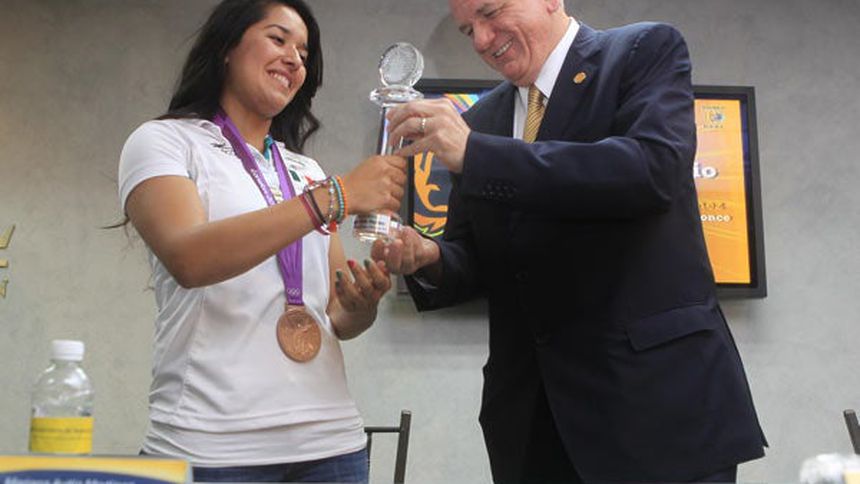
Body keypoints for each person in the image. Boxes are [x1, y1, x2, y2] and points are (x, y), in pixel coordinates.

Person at [374, 0, 767, 482]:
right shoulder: (481, 120)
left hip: (656, 414)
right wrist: (427, 256)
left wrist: (478, 154)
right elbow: (476, 255)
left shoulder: (643, 51)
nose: (481, 39)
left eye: (491, 12)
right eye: (467, 30)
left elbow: (650, 172)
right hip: (533, 427)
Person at [118, 0, 405, 481]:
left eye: (304, 53)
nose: (294, 59)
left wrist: (361, 305)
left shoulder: (305, 170)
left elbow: (336, 315)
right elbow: (189, 258)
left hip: (331, 443)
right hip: (210, 446)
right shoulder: (165, 142)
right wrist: (333, 197)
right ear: (227, 47)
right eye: (278, 39)